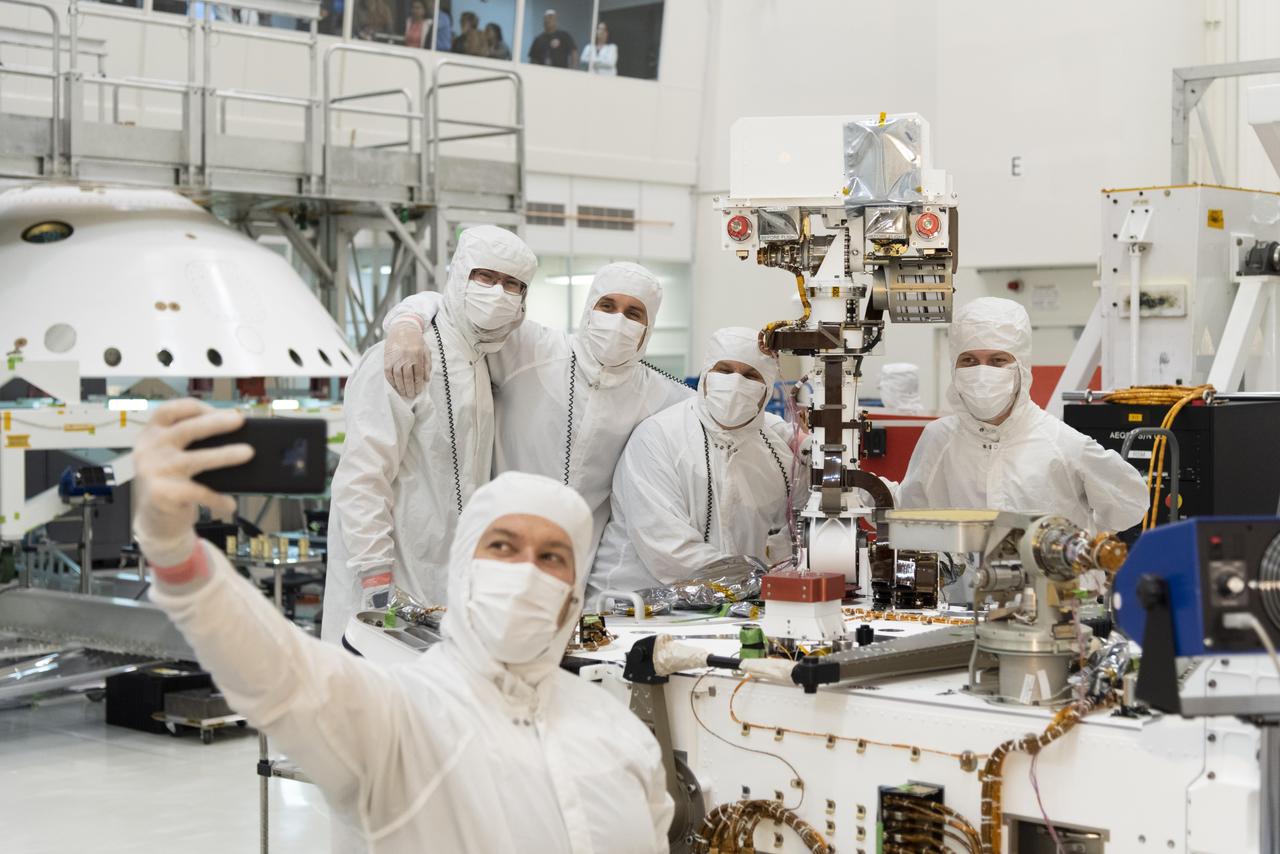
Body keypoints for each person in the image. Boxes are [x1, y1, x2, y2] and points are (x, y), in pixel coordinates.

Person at [130, 406, 674, 852]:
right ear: (463, 571)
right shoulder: (398, 718)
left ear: (574, 593)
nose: (526, 570)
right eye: (502, 546)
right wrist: (177, 557)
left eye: (552, 556)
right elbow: (281, 674)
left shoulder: (619, 734)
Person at [381, 262, 693, 570]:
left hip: (575, 566)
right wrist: (407, 322)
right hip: (493, 547)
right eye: (607, 306)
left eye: (633, 313)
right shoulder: (534, 350)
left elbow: (716, 415)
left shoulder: (661, 394)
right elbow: (454, 312)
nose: (617, 321)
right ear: (588, 309)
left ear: (648, 326)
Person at [321, 225, 537, 645]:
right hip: (386, 585)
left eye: (513, 284)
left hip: (446, 584)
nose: (498, 293)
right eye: (485, 277)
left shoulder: (483, 355)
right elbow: (362, 478)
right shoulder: (405, 357)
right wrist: (377, 580)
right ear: (459, 276)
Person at [898, 297, 1148, 533]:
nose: (983, 373)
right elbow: (908, 513)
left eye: (997, 360)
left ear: (1021, 368)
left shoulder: (1062, 444)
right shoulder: (939, 438)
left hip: (1050, 579)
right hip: (964, 580)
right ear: (954, 367)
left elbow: (1128, 506)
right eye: (970, 360)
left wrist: (1087, 535)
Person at [589, 327, 794, 599]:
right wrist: (761, 581)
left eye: (750, 375)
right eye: (724, 370)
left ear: (767, 388)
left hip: (732, 606)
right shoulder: (659, 436)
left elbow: (798, 529)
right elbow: (669, 550)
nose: (734, 383)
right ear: (706, 375)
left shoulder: (775, 448)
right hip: (637, 604)